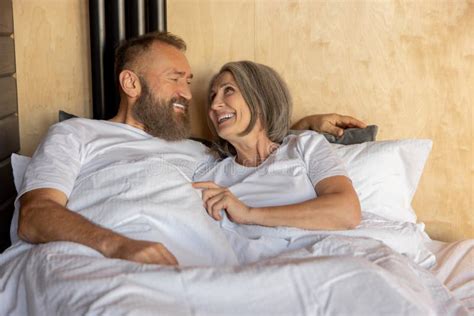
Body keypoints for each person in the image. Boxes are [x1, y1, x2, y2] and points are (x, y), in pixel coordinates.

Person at [17, 32, 366, 266]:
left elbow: (261, 149)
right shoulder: (75, 134)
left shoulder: (197, 153)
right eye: (174, 79)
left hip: (203, 265)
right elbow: (35, 216)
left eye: (188, 82)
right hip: (112, 257)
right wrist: (118, 245)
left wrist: (305, 125)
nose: (188, 94)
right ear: (131, 82)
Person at [193, 61, 361, 231]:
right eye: (212, 97)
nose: (214, 105)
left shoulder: (304, 145)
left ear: (260, 99)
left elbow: (347, 212)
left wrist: (249, 214)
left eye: (228, 90)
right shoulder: (209, 176)